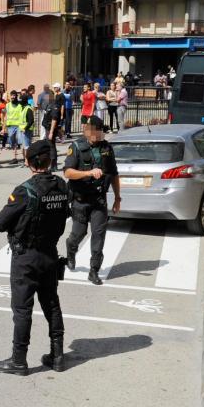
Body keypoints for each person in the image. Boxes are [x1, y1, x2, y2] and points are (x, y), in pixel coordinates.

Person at [0, 140, 71, 375]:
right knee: (52, 305)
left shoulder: (25, 190)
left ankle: (18, 360)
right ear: (49, 161)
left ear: (28, 162)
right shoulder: (61, 186)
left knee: (23, 309)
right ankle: (57, 356)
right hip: (50, 254)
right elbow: (65, 214)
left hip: (26, 257)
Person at [63, 116, 121, 285]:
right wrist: (88, 173)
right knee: (78, 234)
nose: (95, 133)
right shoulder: (76, 147)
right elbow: (67, 172)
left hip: (99, 201)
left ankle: (94, 270)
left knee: (99, 235)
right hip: (80, 200)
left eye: (98, 130)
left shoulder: (107, 148)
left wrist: (117, 198)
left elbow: (114, 174)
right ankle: (71, 249)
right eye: (91, 129)